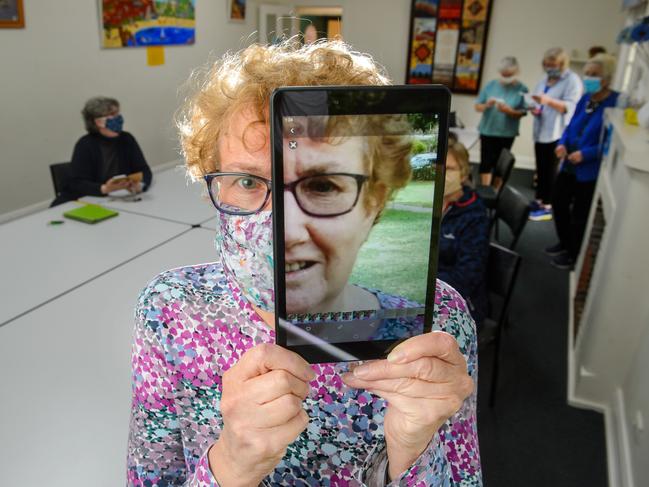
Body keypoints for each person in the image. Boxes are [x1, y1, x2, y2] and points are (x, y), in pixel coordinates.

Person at [127, 40, 481, 485]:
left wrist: (412, 450)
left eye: (322, 186)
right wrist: (232, 466)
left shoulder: (437, 324)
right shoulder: (172, 312)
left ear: (373, 204)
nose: (284, 230)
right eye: (246, 181)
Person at [547, 54, 619, 269]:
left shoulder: (615, 103)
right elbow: (570, 127)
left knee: (579, 215)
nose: (589, 78)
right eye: (587, 74)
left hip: (588, 171)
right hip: (568, 164)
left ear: (607, 78)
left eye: (594, 75)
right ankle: (564, 242)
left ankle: (573, 254)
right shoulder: (586, 98)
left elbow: (610, 142)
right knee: (558, 204)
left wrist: (585, 154)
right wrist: (562, 143)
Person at [55, 96, 152, 206]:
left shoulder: (127, 139)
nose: (118, 118)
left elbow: (143, 169)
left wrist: (140, 185)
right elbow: (76, 183)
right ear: (97, 122)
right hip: (87, 201)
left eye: (117, 114)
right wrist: (106, 188)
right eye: (111, 115)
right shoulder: (85, 144)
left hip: (121, 199)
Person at [438, 141, 489, 329]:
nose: (442, 174)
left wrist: (421, 285)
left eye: (449, 169)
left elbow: (467, 276)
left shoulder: (474, 215)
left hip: (459, 299)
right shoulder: (427, 204)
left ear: (463, 174)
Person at [528, 48, 583, 222]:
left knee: (551, 169)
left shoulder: (572, 80)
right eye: (547, 64)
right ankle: (539, 199)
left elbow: (571, 107)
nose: (549, 68)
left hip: (557, 132)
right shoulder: (545, 79)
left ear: (562, 64)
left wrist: (548, 101)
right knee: (541, 168)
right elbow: (536, 98)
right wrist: (535, 107)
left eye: (553, 65)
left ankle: (547, 205)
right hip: (541, 129)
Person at [475, 56, 528, 186]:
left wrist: (509, 111)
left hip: (507, 133)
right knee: (486, 162)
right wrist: (487, 105)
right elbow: (477, 106)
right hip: (488, 130)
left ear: (516, 72)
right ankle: (485, 191)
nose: (506, 77)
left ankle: (495, 192)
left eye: (509, 75)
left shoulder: (522, 89)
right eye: (503, 74)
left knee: (501, 165)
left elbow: (523, 112)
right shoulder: (490, 85)